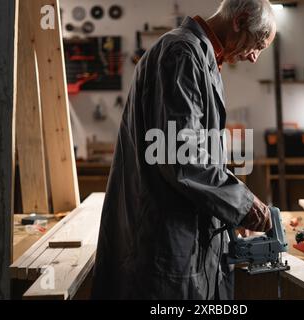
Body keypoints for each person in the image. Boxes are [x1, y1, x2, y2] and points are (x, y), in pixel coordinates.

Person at [91, 0, 277, 300]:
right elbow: (182, 157)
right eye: (257, 44)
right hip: (164, 235)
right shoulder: (182, 53)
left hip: (181, 229)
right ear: (239, 21)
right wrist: (244, 205)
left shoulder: (202, 57)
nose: (254, 57)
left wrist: (229, 211)